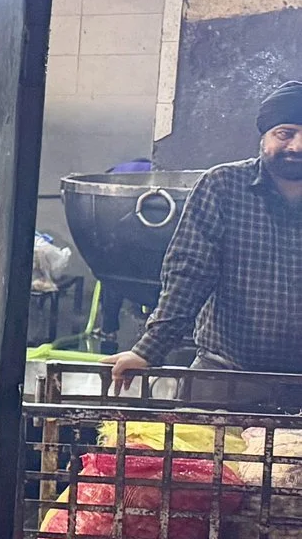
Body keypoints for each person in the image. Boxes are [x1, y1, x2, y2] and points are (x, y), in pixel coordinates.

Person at [110, 81, 302, 386]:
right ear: (264, 136)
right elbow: (190, 272)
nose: (297, 146)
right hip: (224, 374)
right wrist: (149, 350)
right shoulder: (224, 186)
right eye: (285, 133)